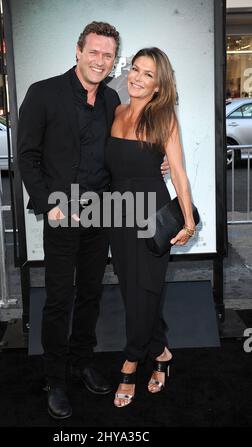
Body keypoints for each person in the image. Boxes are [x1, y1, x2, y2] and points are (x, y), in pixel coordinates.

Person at [18, 23, 168, 419]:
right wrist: (48, 202)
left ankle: (82, 362)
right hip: (61, 212)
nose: (101, 61)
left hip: (102, 212)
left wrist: (154, 159)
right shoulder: (43, 93)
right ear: (79, 50)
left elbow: (120, 151)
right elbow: (28, 156)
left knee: (90, 294)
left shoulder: (109, 103)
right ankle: (56, 378)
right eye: (94, 52)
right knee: (58, 298)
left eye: (108, 55)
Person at [105, 47, 196, 407]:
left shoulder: (164, 117)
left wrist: (188, 222)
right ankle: (162, 353)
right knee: (134, 291)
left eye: (148, 75)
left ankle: (131, 361)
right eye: (136, 70)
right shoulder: (115, 111)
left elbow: (178, 173)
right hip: (116, 214)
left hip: (151, 215)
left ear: (159, 86)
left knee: (144, 291)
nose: (137, 79)